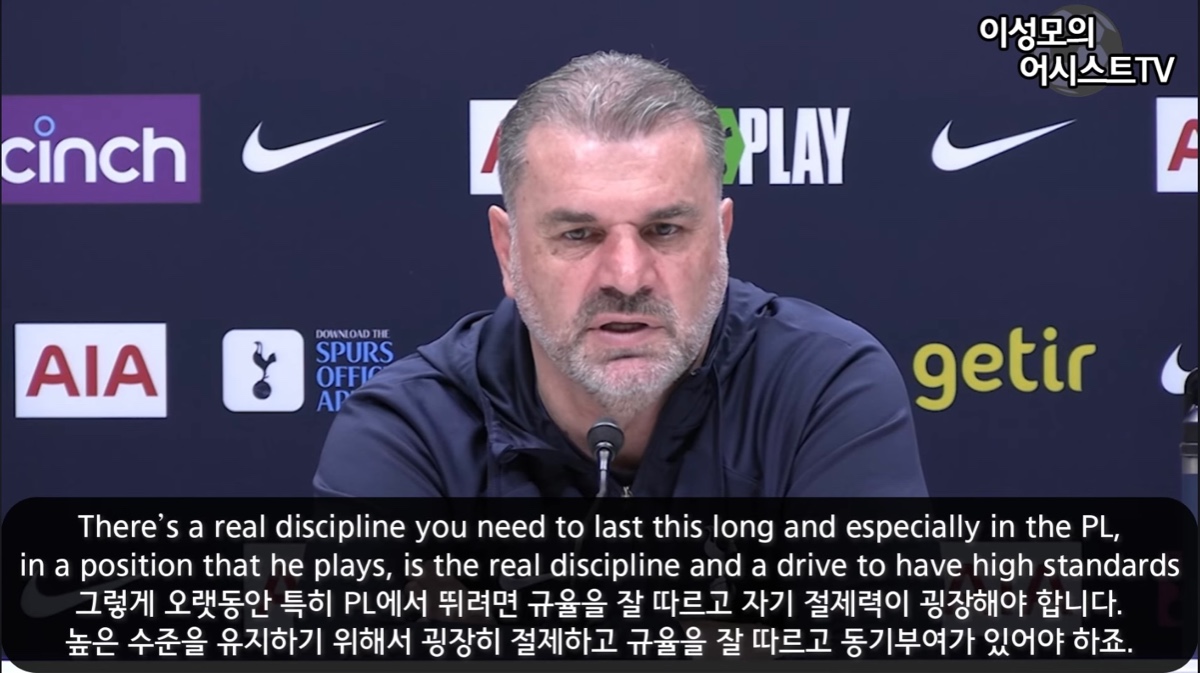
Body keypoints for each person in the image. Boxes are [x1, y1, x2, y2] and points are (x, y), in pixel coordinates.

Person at [313, 50, 927, 499]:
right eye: (579, 235)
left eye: (665, 230)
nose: (628, 277)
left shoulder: (821, 384)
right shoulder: (409, 429)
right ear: (508, 251)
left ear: (721, 238)